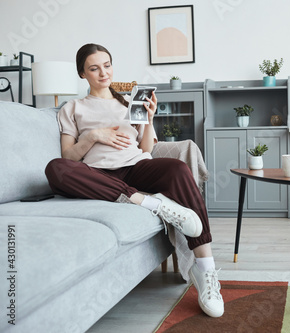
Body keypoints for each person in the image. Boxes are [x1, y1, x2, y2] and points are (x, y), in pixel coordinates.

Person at [44, 43, 224, 318]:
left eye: (107, 65)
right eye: (94, 68)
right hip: (99, 176)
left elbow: (147, 150)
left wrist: (149, 120)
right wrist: (93, 136)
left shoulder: (129, 103)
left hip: (135, 167)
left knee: (177, 168)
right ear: (83, 74)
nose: (103, 73)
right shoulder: (73, 108)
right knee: (55, 168)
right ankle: (149, 202)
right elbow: (68, 157)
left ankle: (207, 272)